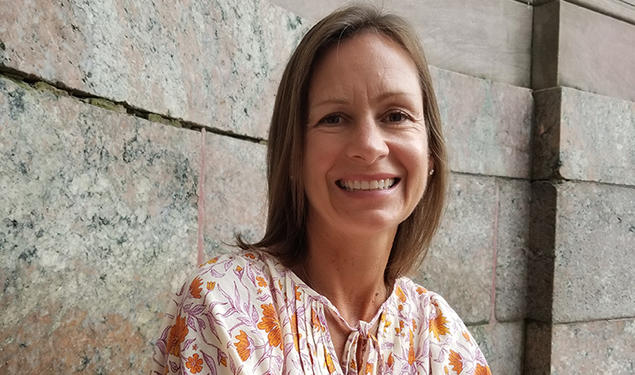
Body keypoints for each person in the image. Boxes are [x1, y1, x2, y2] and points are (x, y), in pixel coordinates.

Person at [151, 5, 490, 375]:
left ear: (431, 155)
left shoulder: (444, 339)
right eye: (335, 118)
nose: (369, 145)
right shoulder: (223, 308)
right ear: (294, 153)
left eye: (396, 115)